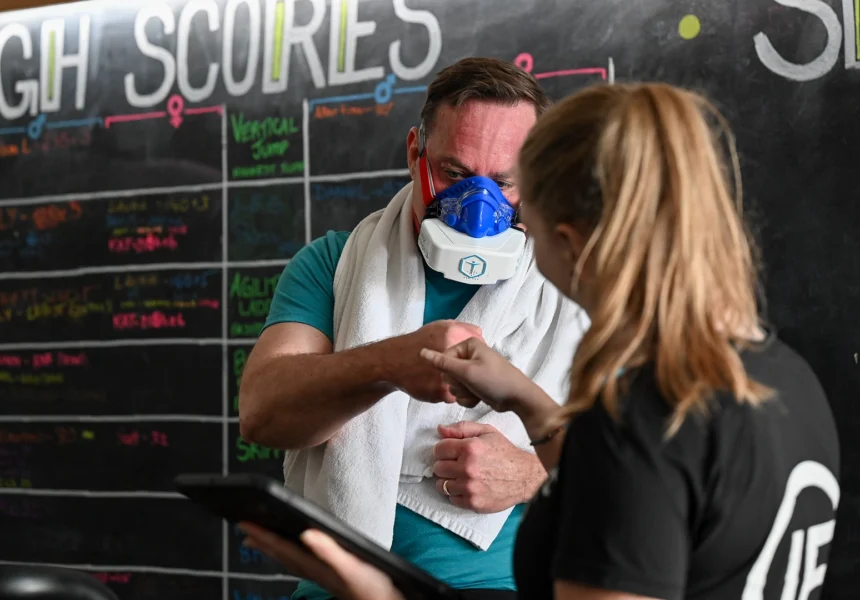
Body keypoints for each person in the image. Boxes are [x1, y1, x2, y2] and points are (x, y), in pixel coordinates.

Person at [239, 81, 841, 600]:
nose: (493, 223)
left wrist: (374, 594)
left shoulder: (640, 419)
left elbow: (634, 476)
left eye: (515, 197)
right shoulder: (787, 380)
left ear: (568, 242)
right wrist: (530, 406)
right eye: (455, 172)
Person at [238, 57, 588, 600]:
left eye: (504, 183)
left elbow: (650, 471)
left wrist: (531, 476)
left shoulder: (572, 285)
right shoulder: (333, 264)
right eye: (453, 174)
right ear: (414, 154)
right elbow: (262, 413)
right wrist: (387, 364)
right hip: (335, 585)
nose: (478, 208)